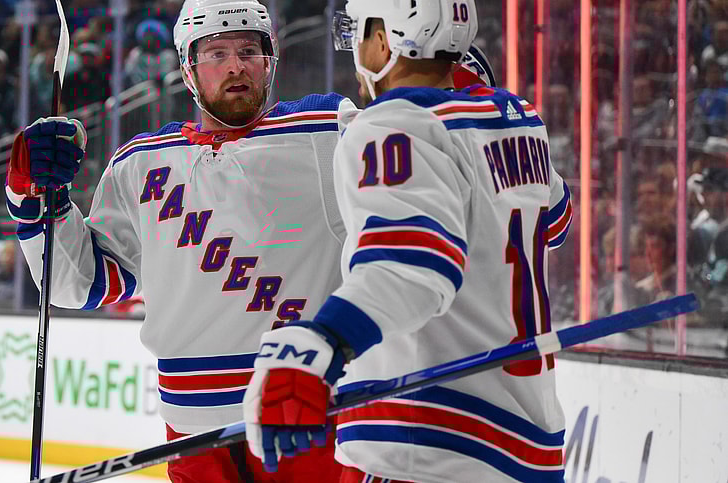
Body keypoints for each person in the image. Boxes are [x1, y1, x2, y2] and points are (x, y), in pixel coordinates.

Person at [7, 1, 355, 481]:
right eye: (216, 53)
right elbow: (78, 283)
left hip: (306, 414)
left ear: (270, 59)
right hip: (191, 434)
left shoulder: (328, 130)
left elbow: (416, 163)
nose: (236, 65)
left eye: (249, 50)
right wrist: (34, 195)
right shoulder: (139, 164)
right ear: (188, 69)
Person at [242, 1, 574, 482]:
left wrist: (322, 342)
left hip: (427, 439)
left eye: (360, 31)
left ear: (386, 37)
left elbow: (411, 267)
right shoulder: (518, 118)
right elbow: (556, 220)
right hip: (527, 442)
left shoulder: (393, 123)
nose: (357, 47)